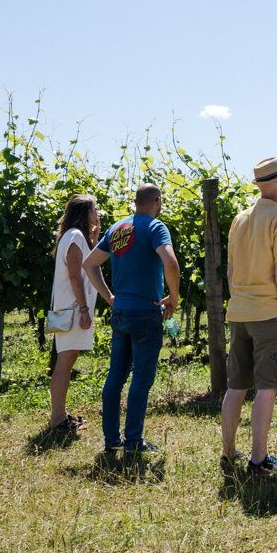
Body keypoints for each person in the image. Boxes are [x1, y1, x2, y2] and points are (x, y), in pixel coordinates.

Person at [82, 184, 180, 456]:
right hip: (146, 313)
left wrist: (110, 297)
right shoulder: (155, 227)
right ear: (157, 201)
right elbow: (170, 263)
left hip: (121, 311)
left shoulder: (117, 228)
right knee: (141, 380)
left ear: (135, 202)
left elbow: (90, 264)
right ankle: (134, 441)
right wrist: (174, 297)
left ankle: (112, 439)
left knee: (115, 377)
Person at [220, 156, 277, 476]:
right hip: (268, 313)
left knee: (236, 385)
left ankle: (228, 452)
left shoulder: (239, 219)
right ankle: (258, 458)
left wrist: (239, 299)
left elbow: (230, 271)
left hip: (239, 312)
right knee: (268, 386)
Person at [49, 194, 100, 434]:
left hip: (68, 310)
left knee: (65, 362)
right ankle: (57, 418)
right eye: (94, 210)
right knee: (64, 363)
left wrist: (96, 236)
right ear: (84, 213)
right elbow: (74, 275)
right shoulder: (75, 236)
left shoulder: (74, 236)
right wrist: (83, 309)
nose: (97, 213)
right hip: (72, 311)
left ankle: (59, 415)